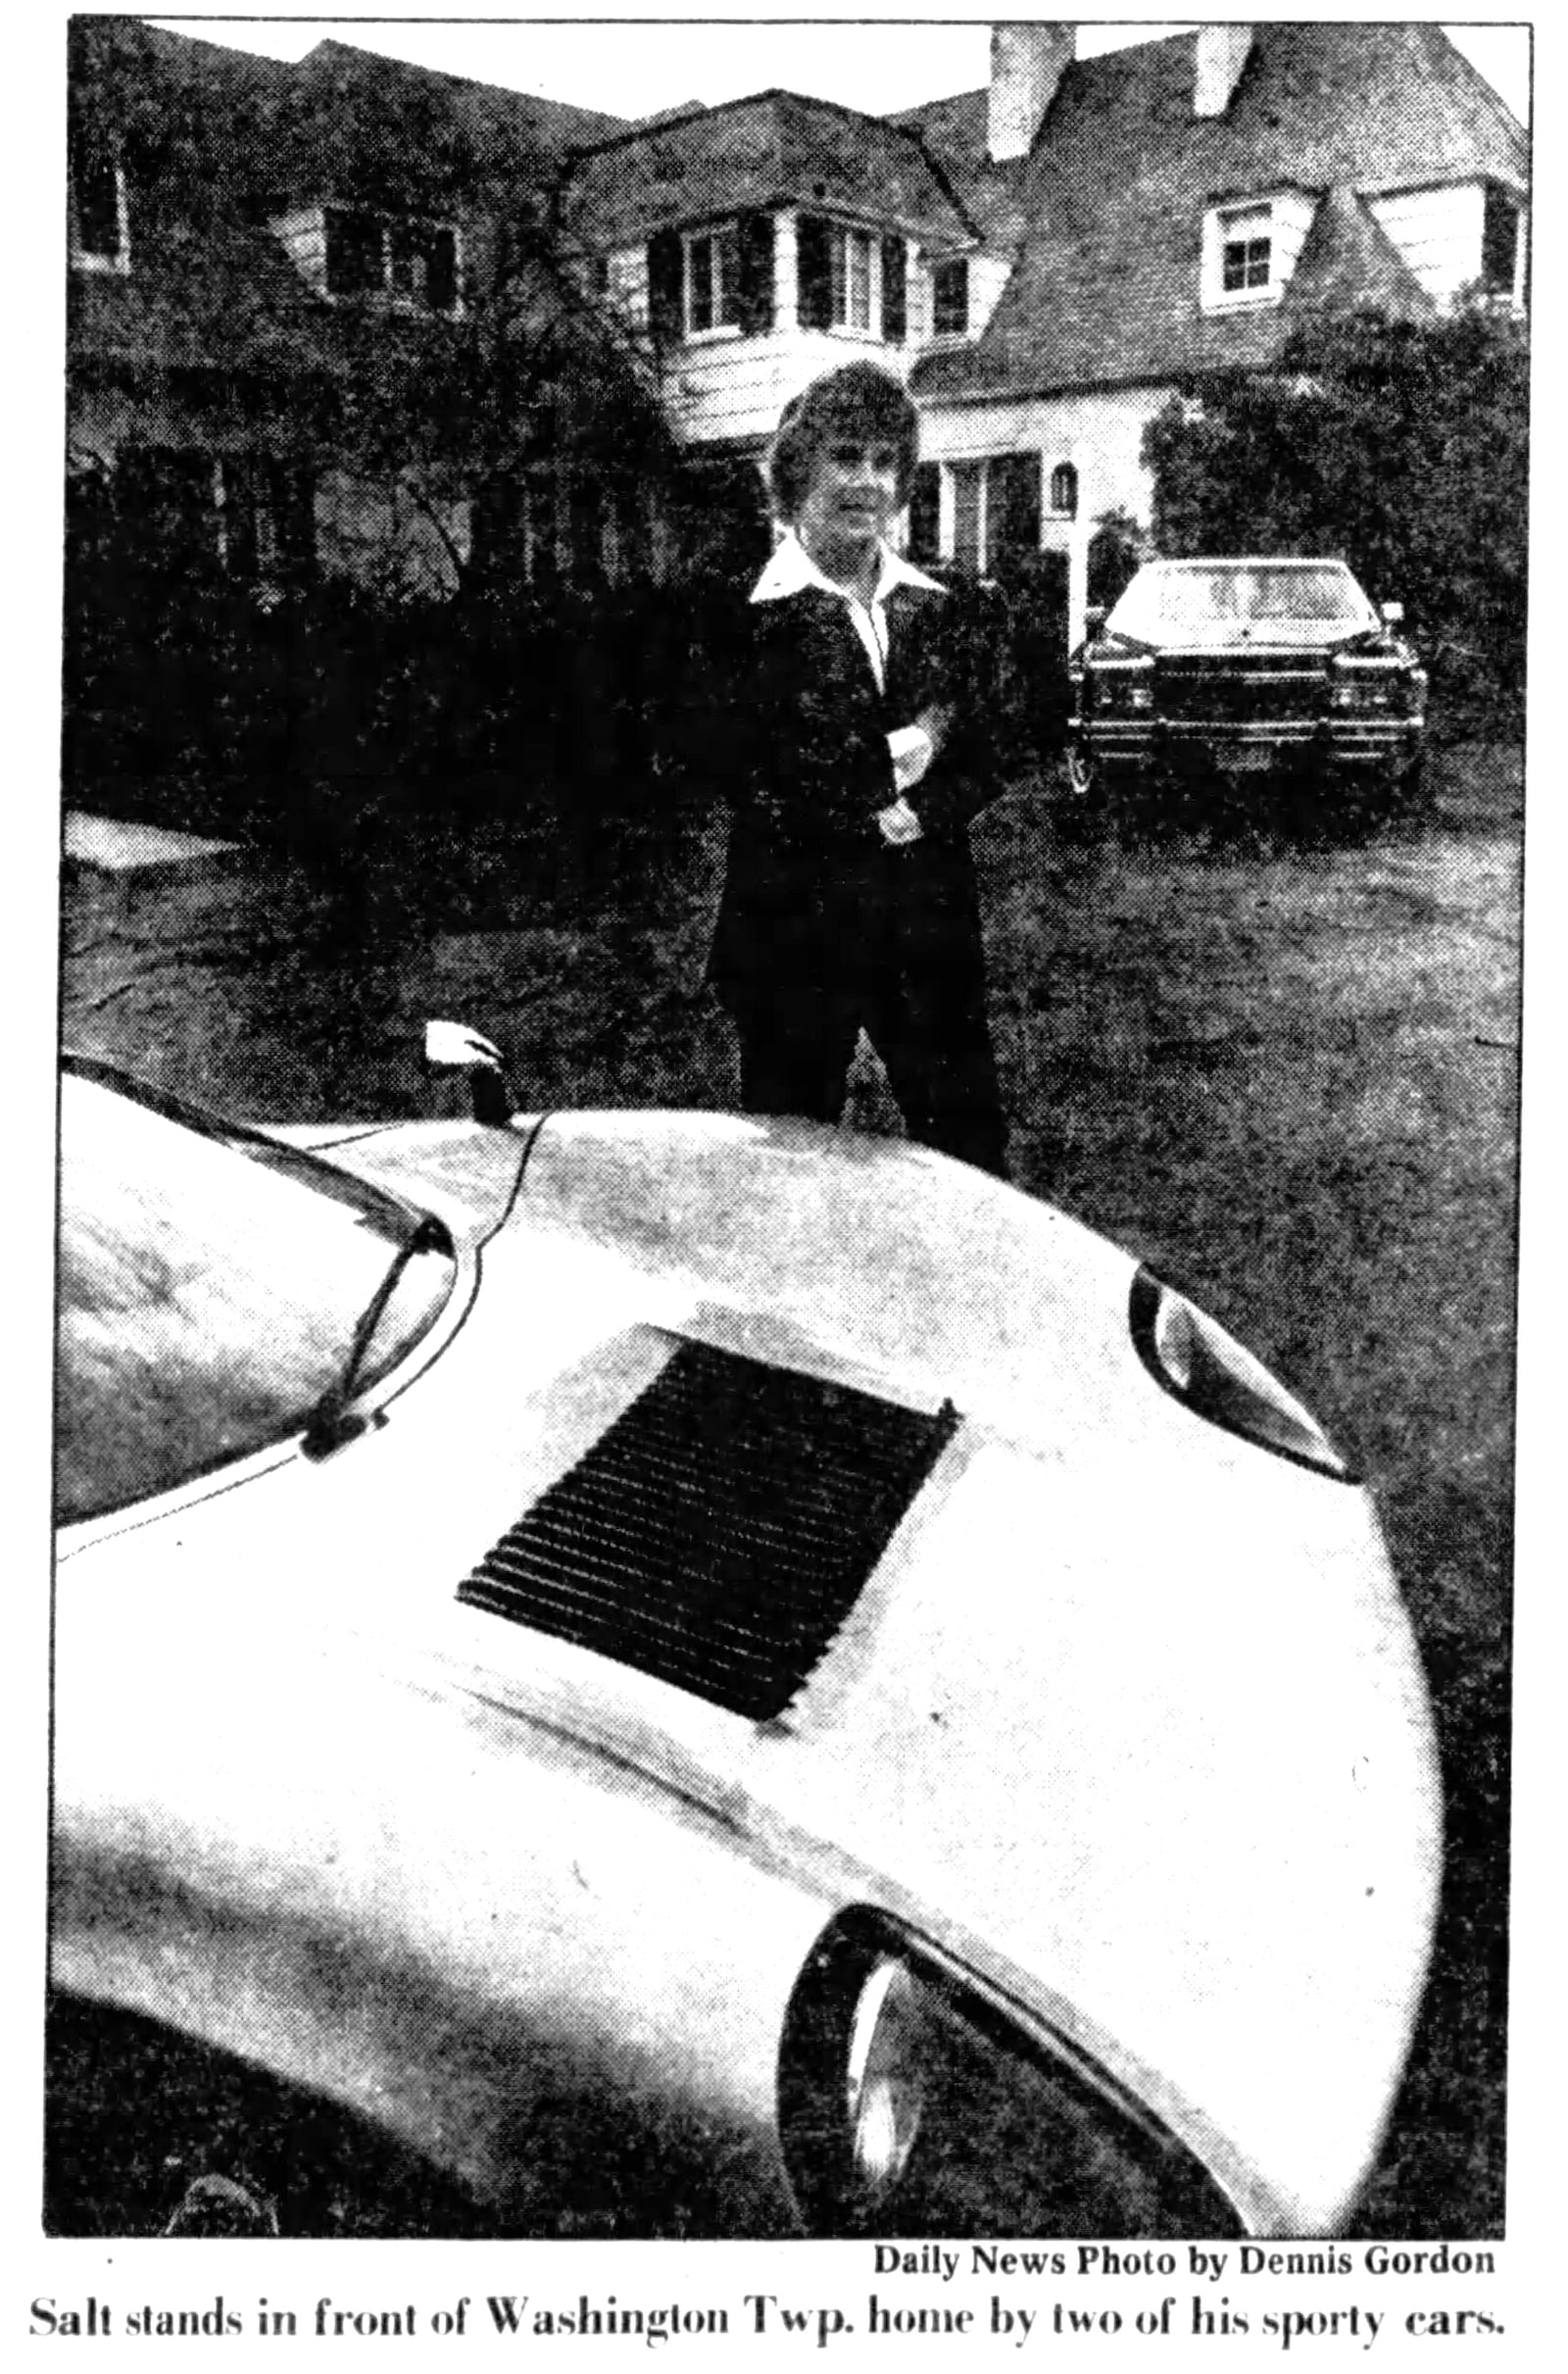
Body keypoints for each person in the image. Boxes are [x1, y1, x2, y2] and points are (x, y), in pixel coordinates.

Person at [702, 362, 1008, 1177]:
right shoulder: (742, 618)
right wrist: (882, 784)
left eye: (883, 462)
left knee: (968, 1157)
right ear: (799, 472)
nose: (866, 482)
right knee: (792, 1170)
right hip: (795, 934)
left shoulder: (940, 609)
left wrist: (926, 811)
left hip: (927, 930)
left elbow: (989, 750)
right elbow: (745, 774)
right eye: (845, 457)